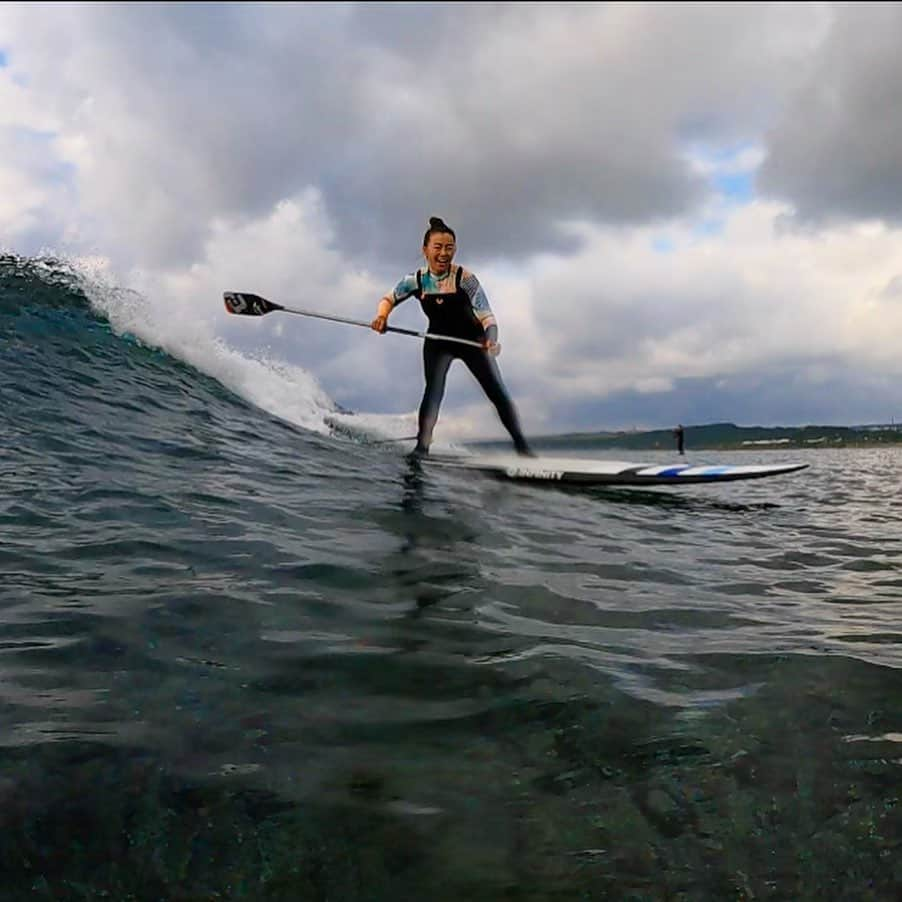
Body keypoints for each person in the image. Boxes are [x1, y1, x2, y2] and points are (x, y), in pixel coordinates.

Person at [371, 216, 533, 458]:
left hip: (473, 342)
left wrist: (491, 339)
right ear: (425, 250)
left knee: (496, 392)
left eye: (449, 248)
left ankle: (522, 447)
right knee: (433, 391)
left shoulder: (465, 279)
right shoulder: (416, 280)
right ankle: (422, 448)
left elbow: (487, 317)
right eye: (438, 247)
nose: (444, 253)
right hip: (438, 342)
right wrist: (382, 317)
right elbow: (388, 299)